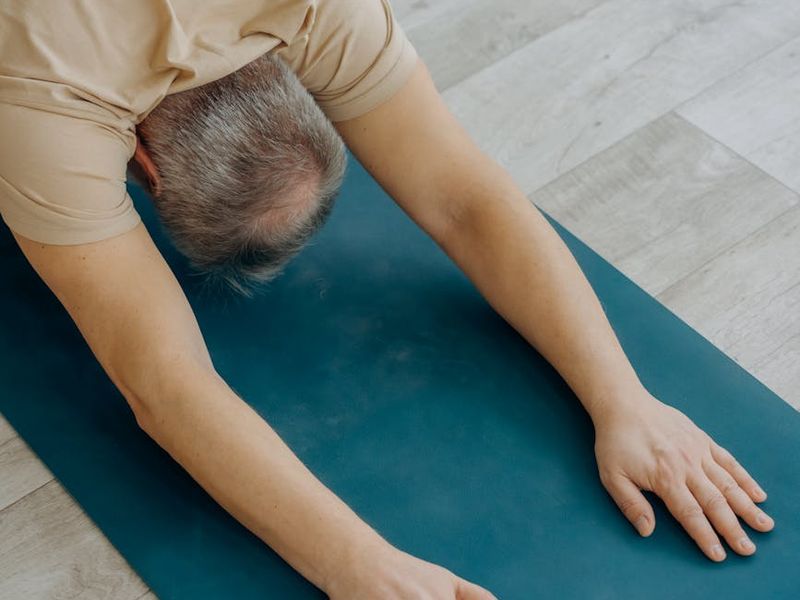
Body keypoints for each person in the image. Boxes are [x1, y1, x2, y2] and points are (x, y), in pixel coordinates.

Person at [0, 0, 775, 597]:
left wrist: (626, 400)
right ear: (143, 168)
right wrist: (356, 564)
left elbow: (466, 201)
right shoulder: (42, 106)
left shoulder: (320, 10)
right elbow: (165, 387)